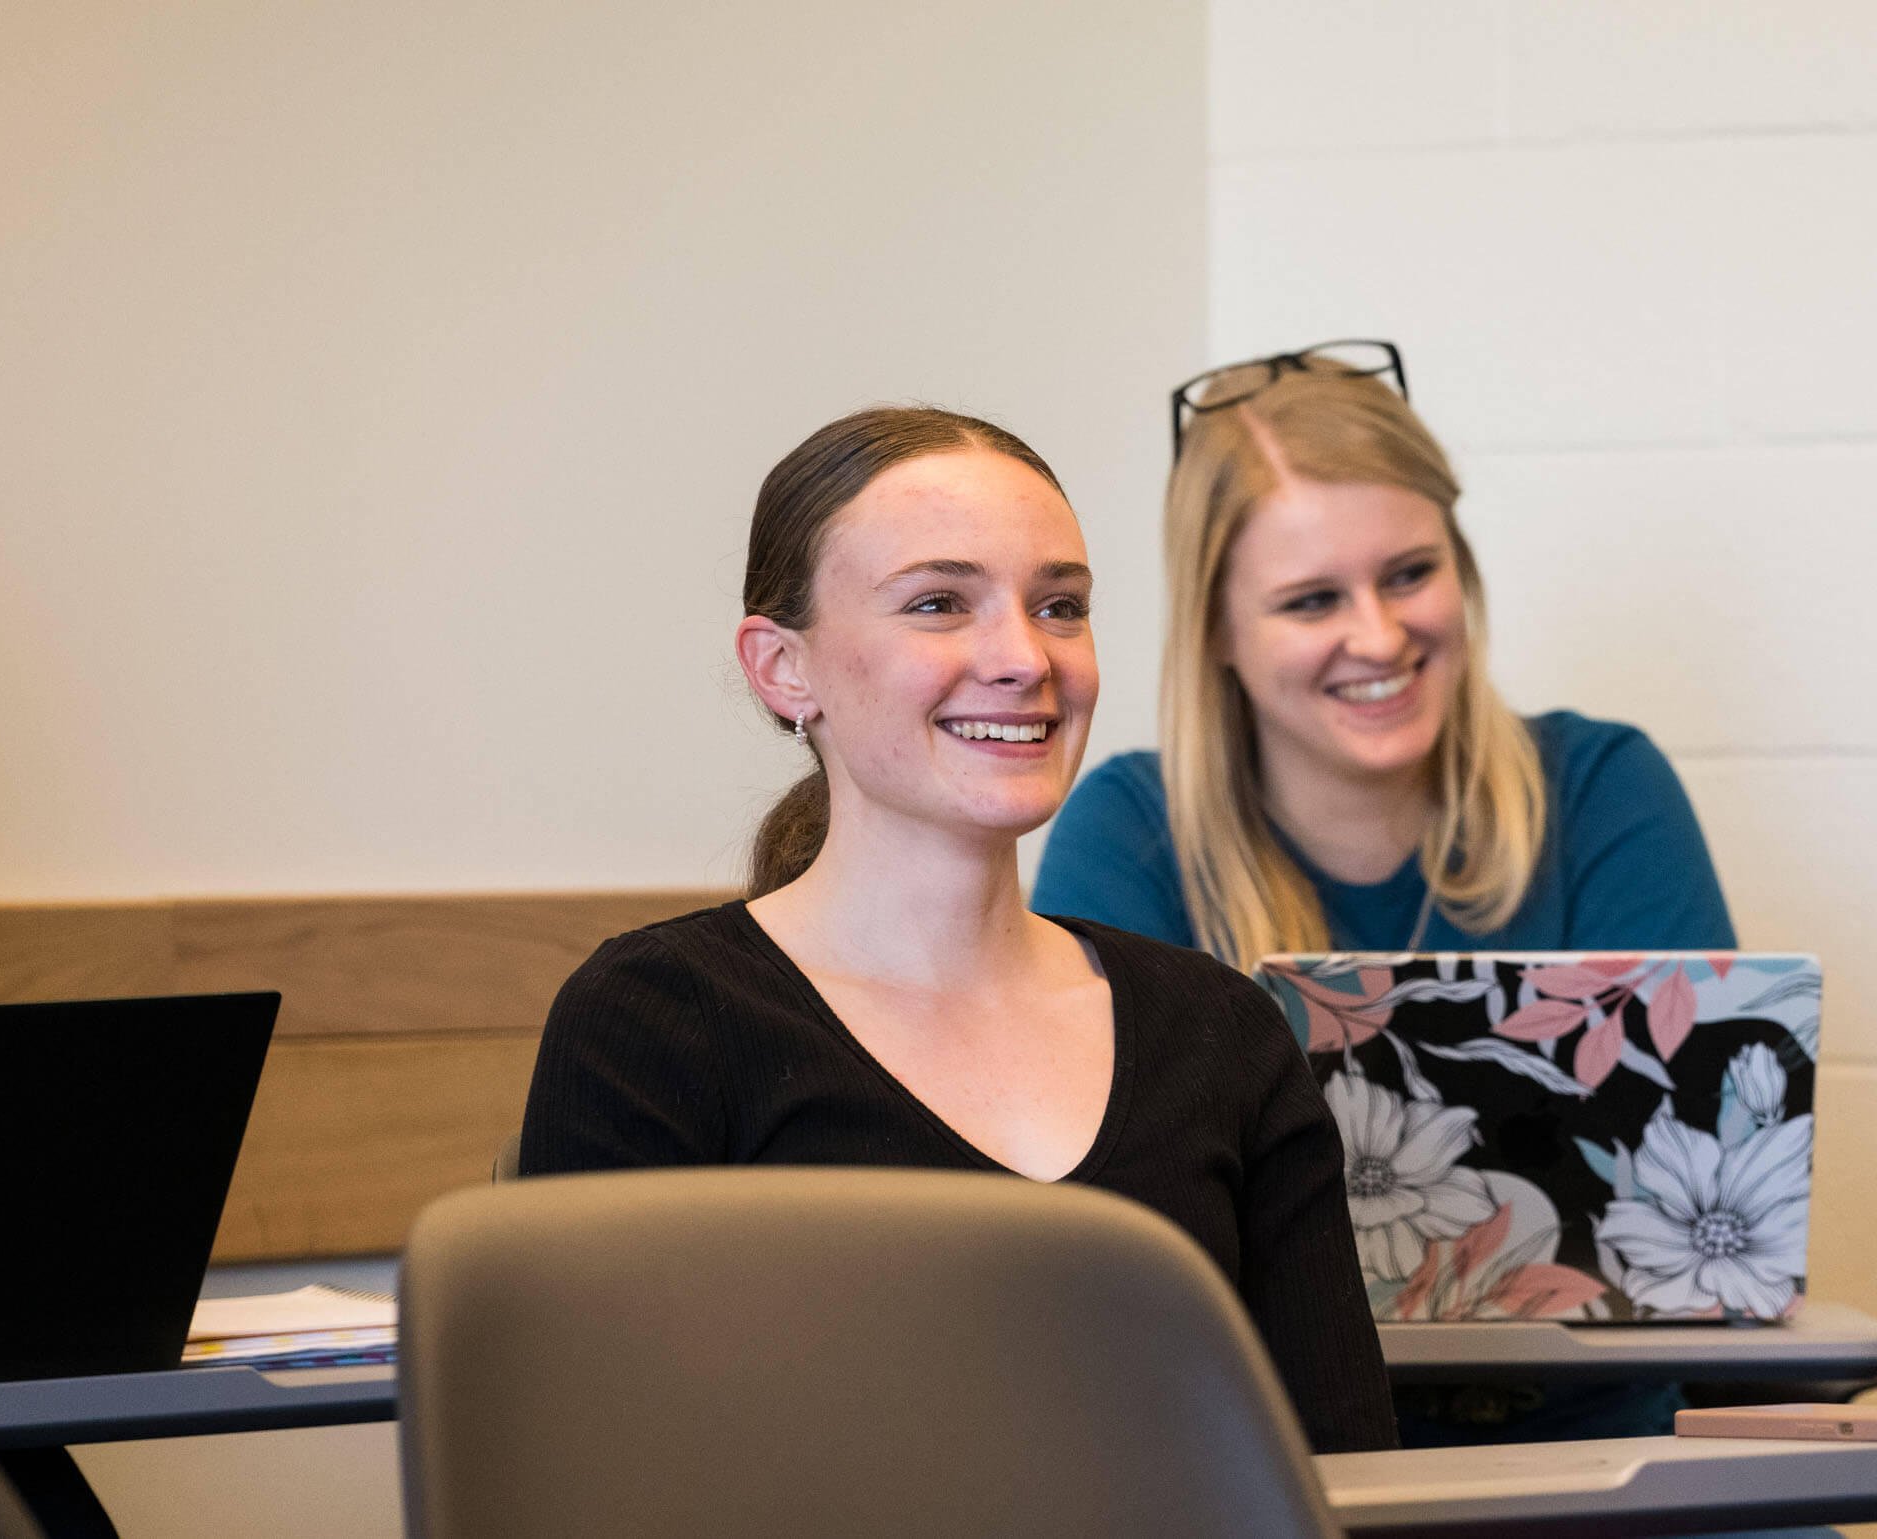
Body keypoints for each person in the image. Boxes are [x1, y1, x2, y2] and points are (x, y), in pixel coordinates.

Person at [519, 405, 1396, 1455]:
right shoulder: (657, 1023)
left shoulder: (1221, 1033)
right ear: (781, 668)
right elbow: (589, 1479)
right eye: (938, 603)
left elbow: (1339, 1471)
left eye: (1060, 606)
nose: (1023, 657)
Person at [1031, 344, 1737, 1444]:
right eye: (1312, 599)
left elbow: (1704, 1213)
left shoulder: (1601, 790)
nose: (1377, 634)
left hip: (1604, 1458)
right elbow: (1117, 1256)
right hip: (1270, 1466)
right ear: (1215, 627)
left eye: (1409, 573)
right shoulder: (1129, 837)